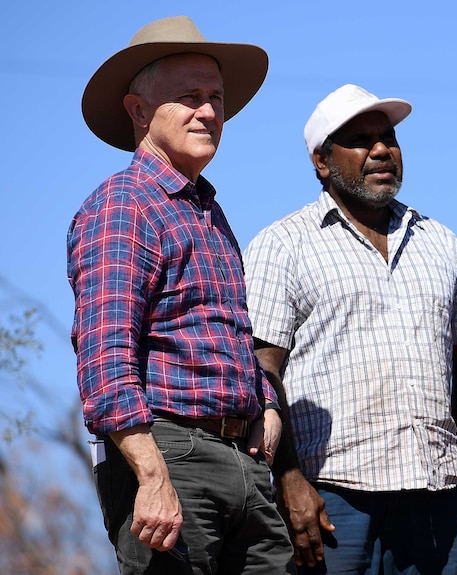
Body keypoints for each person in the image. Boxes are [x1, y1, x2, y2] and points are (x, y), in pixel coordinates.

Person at [67, 16, 295, 574]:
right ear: (138, 111)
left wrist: (265, 403)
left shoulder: (208, 213)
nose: (211, 112)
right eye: (189, 97)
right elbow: (104, 353)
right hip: (171, 457)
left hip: (239, 462)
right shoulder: (124, 206)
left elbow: (225, 333)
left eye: (216, 97)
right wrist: (151, 475)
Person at [243, 83, 457, 575]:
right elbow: (260, 369)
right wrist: (289, 481)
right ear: (322, 161)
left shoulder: (440, 242)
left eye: (389, 138)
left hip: (435, 499)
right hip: (330, 500)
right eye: (361, 139)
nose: (382, 150)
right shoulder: (282, 245)